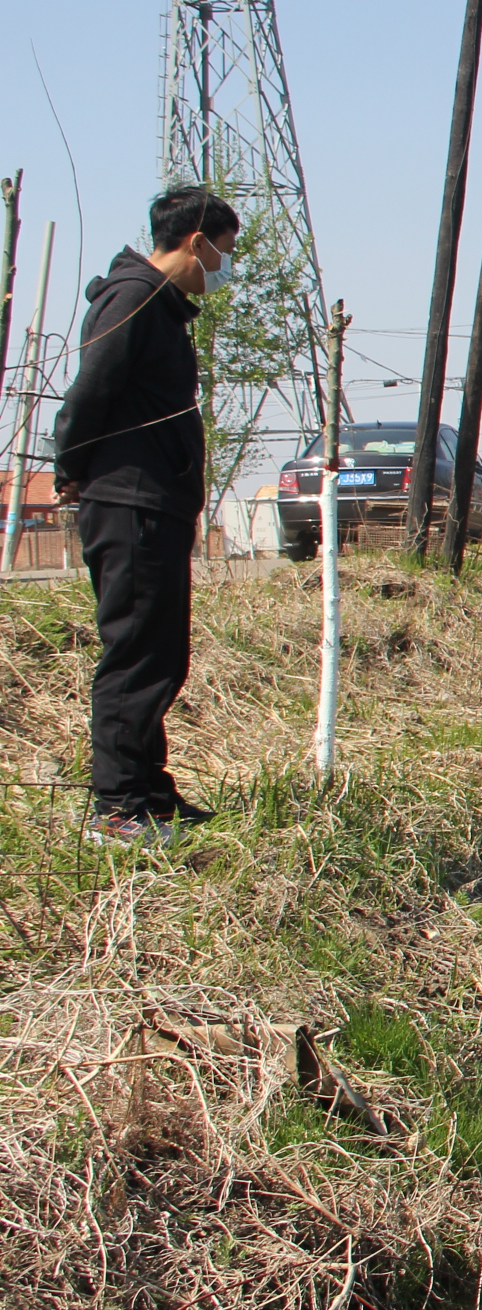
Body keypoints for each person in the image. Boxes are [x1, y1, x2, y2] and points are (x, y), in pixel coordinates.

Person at [52, 185, 234, 843]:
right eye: (223, 251)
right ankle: (118, 806)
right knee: (134, 653)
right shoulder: (133, 299)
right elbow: (88, 392)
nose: (223, 266)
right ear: (194, 243)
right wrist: (71, 468)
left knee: (161, 653)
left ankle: (152, 793)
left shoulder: (161, 308)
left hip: (154, 506)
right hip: (128, 506)